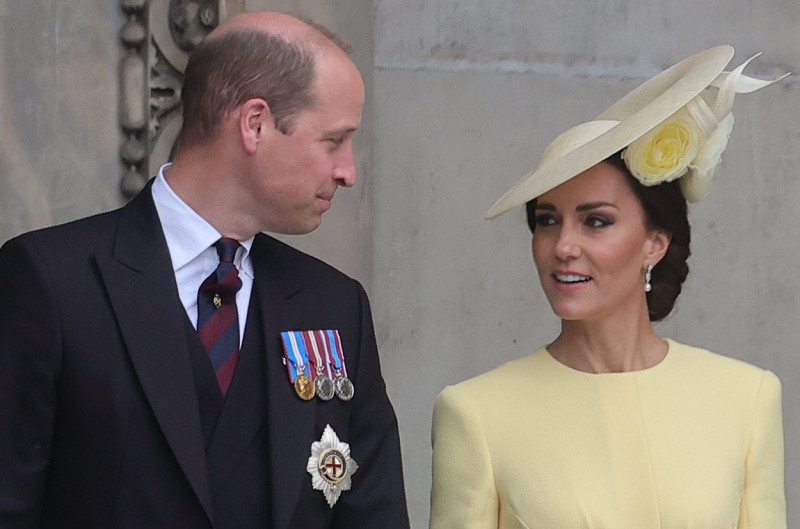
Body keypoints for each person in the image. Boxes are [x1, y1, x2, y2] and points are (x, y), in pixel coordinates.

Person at [0, 11, 410, 529]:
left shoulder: (333, 304)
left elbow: (374, 514)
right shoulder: (51, 283)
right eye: (333, 141)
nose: (348, 171)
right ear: (255, 124)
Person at [430, 46, 787, 529]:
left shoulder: (748, 397)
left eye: (595, 221)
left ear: (654, 243)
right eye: (547, 221)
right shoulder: (475, 413)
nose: (563, 246)